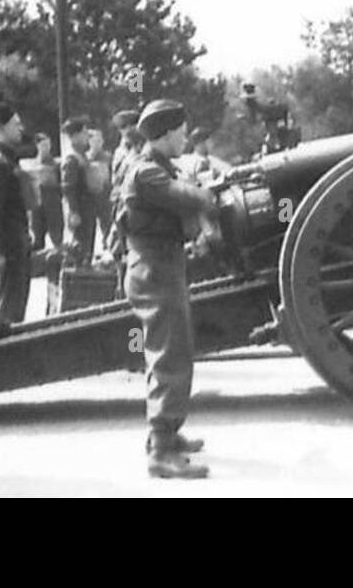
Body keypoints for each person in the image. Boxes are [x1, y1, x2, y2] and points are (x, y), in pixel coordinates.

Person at [117, 99, 217, 478]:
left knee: (172, 351)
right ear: (164, 133)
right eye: (180, 132)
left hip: (163, 264)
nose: (185, 138)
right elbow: (193, 198)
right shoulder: (147, 173)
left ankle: (167, 433)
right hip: (154, 268)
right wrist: (206, 190)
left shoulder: (158, 168)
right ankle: (160, 450)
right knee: (168, 356)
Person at [0, 103, 32, 328]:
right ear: (1, 127)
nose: (21, 129)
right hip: (8, 247)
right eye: (16, 124)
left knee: (15, 308)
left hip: (15, 244)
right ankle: (5, 356)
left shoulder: (6, 161)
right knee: (9, 313)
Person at [108, 110, 142, 298]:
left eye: (132, 125)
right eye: (125, 127)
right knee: (124, 253)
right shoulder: (124, 153)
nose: (129, 130)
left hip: (128, 206)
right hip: (125, 206)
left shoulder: (130, 150)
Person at [60, 116, 96, 265]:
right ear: (75, 136)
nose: (87, 136)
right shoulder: (72, 159)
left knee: (86, 247)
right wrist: (73, 211)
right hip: (81, 208)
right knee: (79, 248)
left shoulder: (81, 156)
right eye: (84, 132)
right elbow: (69, 187)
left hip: (87, 207)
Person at [22, 132, 63, 250]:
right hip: (36, 203)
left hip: (52, 201)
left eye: (48, 144)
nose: (47, 147)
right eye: (44, 144)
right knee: (37, 234)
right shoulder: (29, 164)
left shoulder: (56, 163)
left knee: (56, 235)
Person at [85, 126, 114, 258]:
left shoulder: (108, 157)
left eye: (99, 140)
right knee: (88, 227)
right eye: (93, 140)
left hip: (105, 195)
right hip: (89, 197)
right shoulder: (85, 158)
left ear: (102, 141)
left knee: (107, 223)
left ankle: (109, 249)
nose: (96, 143)